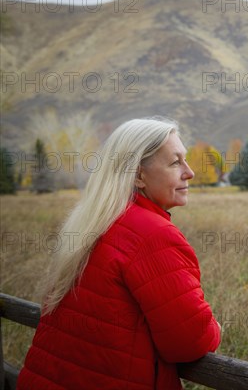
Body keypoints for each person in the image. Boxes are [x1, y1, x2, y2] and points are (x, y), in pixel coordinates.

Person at [17, 117, 221, 390]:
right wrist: (215, 328)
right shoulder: (153, 236)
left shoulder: (94, 220)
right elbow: (189, 342)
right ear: (138, 175)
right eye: (175, 162)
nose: (190, 172)